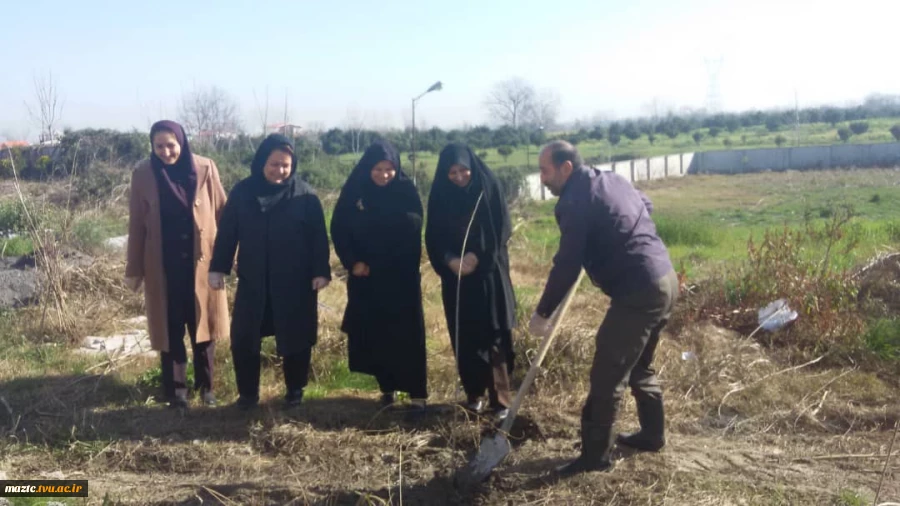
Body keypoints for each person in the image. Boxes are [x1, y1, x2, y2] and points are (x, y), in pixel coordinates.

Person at [528, 140, 678, 476]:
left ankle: (595, 457)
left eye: (545, 171)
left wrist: (542, 313)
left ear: (566, 168)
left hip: (638, 292)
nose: (542, 178)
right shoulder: (610, 179)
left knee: (608, 374)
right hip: (666, 280)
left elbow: (567, 264)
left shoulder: (575, 201)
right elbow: (645, 204)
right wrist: (612, 233)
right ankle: (652, 435)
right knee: (639, 364)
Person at [208, 134, 331, 410]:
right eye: (274, 164)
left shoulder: (306, 196)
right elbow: (228, 233)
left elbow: (318, 239)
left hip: (295, 282)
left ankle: (294, 392)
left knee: (296, 337)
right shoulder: (242, 192)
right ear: (262, 162)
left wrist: (320, 271)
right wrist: (218, 268)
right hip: (253, 280)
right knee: (244, 338)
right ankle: (248, 395)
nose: (280, 170)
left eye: (285, 165)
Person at [125, 120, 230, 409]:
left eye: (171, 145)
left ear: (181, 142)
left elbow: (224, 213)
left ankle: (207, 388)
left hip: (203, 265)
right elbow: (137, 225)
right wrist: (134, 269)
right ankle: (176, 391)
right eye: (159, 146)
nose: (166, 152)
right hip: (164, 266)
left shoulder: (205, 168)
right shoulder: (144, 174)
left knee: (204, 327)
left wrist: (231, 257)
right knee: (170, 330)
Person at [331, 140, 428, 413]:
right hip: (366, 277)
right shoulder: (355, 192)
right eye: (378, 169)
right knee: (376, 333)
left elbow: (414, 226)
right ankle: (387, 388)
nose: (384, 174)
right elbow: (339, 228)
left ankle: (417, 394)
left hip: (401, 278)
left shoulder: (406, 191)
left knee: (407, 334)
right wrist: (352, 262)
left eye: (389, 169)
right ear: (367, 168)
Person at [425, 143, 516, 421]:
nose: (459, 176)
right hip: (457, 279)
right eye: (452, 172)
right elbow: (434, 235)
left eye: (463, 170)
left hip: (489, 273)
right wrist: (451, 260)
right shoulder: (440, 194)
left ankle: (500, 399)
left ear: (471, 167)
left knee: (494, 334)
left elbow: (502, 227)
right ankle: (474, 395)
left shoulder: (488, 187)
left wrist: (477, 256)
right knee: (464, 335)